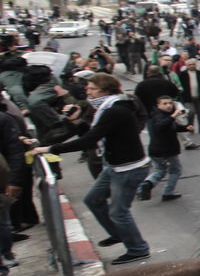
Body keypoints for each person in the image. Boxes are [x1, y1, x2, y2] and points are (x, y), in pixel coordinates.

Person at [31, 73, 151, 265]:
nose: (87, 91)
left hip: (128, 169)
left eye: (91, 88)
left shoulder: (116, 110)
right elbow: (94, 133)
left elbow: (89, 140)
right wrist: (77, 121)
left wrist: (50, 149)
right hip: (114, 166)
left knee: (119, 212)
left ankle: (138, 249)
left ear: (105, 90)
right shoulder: (107, 108)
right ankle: (119, 234)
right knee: (93, 200)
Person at [138, 96, 193, 201]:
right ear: (158, 105)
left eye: (170, 103)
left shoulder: (163, 115)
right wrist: (173, 116)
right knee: (175, 171)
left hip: (156, 150)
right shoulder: (159, 116)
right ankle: (168, 192)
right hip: (166, 150)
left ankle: (147, 184)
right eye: (165, 103)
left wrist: (185, 128)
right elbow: (160, 126)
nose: (168, 105)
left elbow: (172, 127)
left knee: (160, 170)